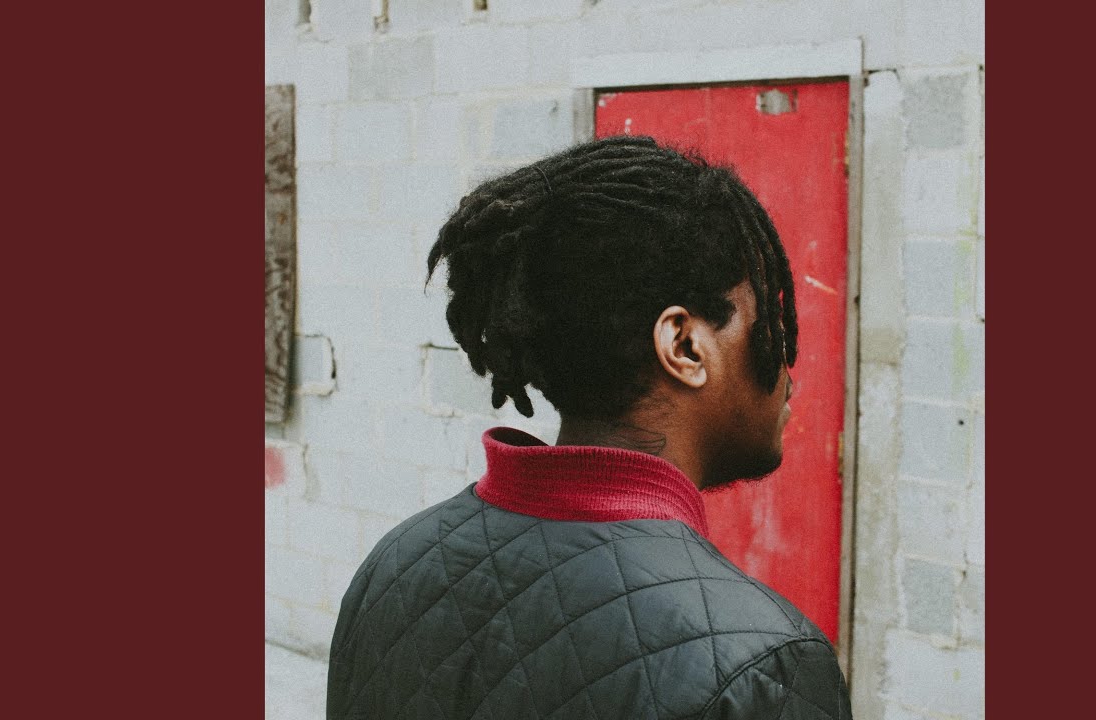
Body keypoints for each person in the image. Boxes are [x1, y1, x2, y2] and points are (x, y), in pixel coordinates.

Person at [326, 136, 853, 720]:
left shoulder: (395, 565)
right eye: (769, 326)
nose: (787, 370)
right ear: (684, 346)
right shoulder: (763, 669)